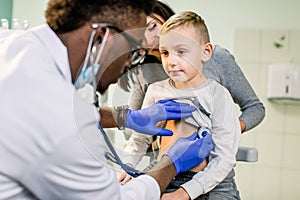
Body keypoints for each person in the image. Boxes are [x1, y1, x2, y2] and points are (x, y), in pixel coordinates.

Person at [0, 0, 214, 199]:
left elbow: (71, 109)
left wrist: (128, 117)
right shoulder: (61, 120)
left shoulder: (11, 42)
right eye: (133, 51)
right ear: (102, 36)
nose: (131, 63)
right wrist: (171, 164)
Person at [120, 11, 241, 199]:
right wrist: (127, 166)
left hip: (212, 185)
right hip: (166, 177)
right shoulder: (155, 91)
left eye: (181, 52)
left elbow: (224, 158)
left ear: (205, 52)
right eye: (165, 53)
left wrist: (184, 193)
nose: (172, 62)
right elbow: (139, 140)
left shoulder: (218, 95)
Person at [118, 1, 265, 134]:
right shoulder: (145, 74)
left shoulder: (217, 58)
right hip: (164, 161)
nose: (151, 41)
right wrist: (159, 133)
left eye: (152, 27)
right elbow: (131, 132)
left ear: (164, 18)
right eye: (140, 37)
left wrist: (228, 132)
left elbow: (255, 108)